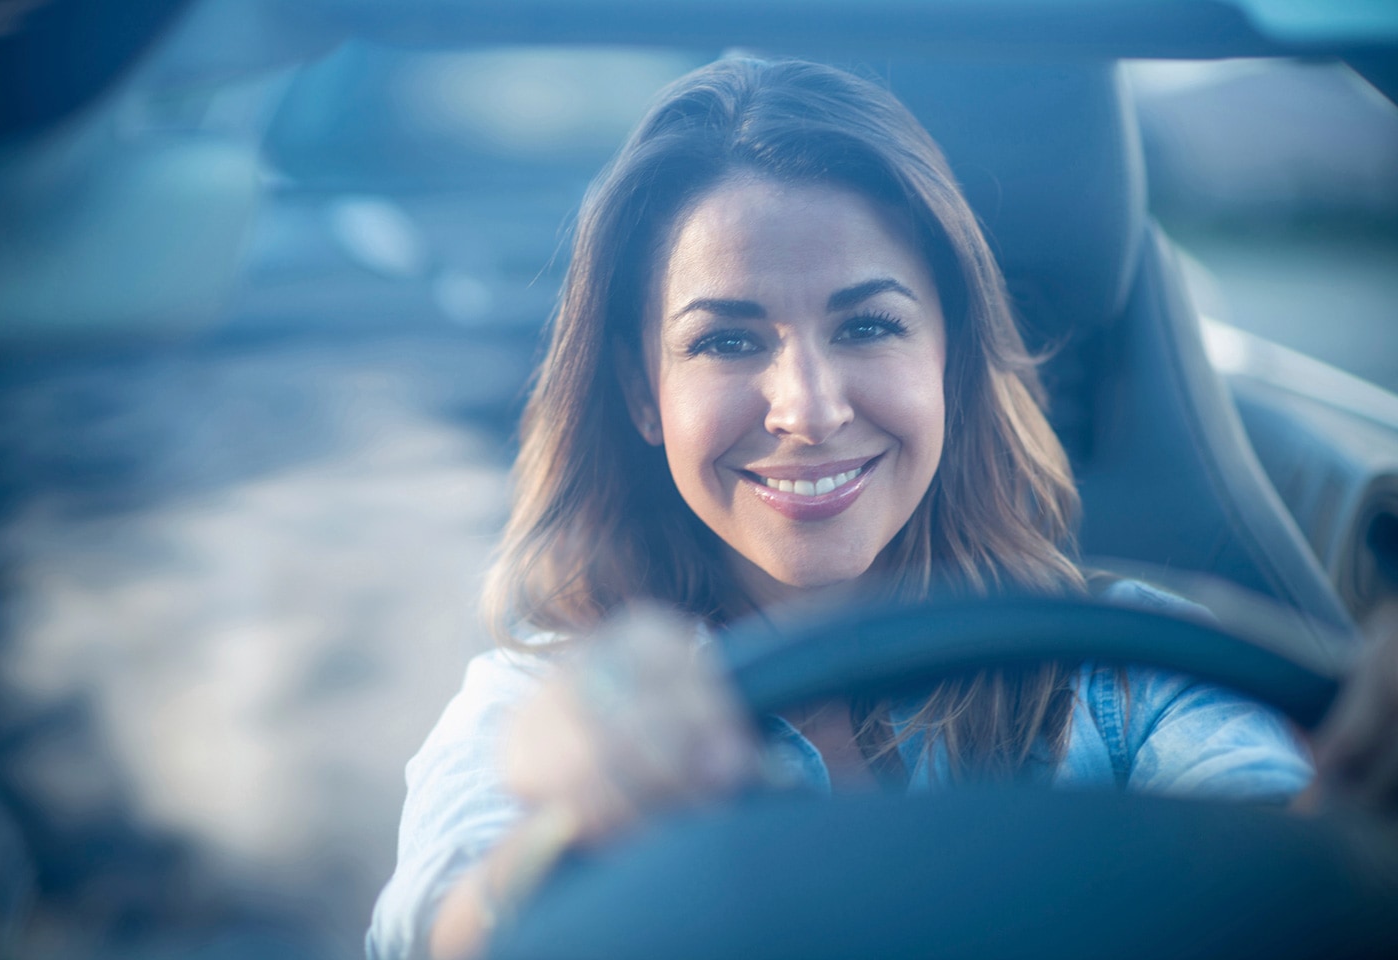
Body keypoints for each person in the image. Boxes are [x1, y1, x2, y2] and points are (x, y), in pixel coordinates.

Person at [367, 57, 1398, 960]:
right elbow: (439, 932)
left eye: (867, 326)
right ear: (643, 392)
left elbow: (1303, 876)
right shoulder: (544, 706)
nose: (809, 410)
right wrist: (556, 832)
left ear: (949, 356)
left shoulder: (1135, 669)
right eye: (727, 341)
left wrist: (1363, 796)